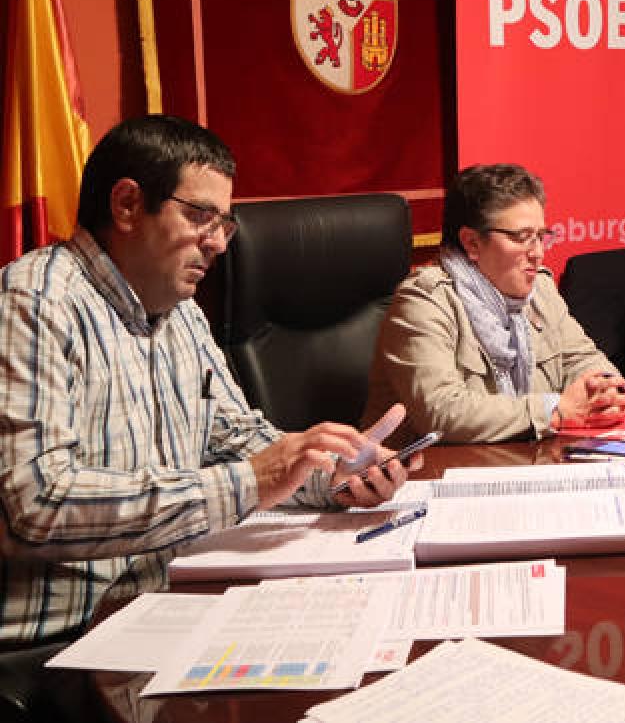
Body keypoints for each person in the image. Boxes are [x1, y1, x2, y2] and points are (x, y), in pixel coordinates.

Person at [0, 116, 418, 655]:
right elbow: (38, 505)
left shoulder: (182, 314)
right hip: (59, 642)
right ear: (127, 205)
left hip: (166, 602)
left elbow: (233, 435)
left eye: (226, 223)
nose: (219, 243)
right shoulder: (33, 305)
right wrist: (248, 482)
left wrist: (328, 475)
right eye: (200, 216)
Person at [361, 163, 625, 445]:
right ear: (472, 242)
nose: (538, 254)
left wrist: (607, 392)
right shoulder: (424, 300)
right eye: (522, 237)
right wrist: (552, 410)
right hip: (424, 475)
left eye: (541, 236)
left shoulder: (539, 288)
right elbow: (441, 412)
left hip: (518, 462)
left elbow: (582, 358)